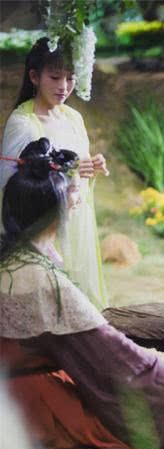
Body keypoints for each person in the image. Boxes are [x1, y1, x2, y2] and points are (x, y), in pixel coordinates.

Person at [0, 138, 164, 449]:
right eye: (71, 193)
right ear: (55, 211)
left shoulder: (11, 262)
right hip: (35, 405)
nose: (77, 200)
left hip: (12, 395)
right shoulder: (42, 278)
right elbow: (111, 353)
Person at [1, 37, 108, 310]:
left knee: (78, 299)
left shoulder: (73, 118)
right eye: (55, 77)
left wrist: (91, 168)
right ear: (34, 77)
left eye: (70, 78)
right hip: (42, 226)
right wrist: (71, 170)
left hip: (73, 215)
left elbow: (78, 165)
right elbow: (13, 184)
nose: (64, 86)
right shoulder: (23, 123)